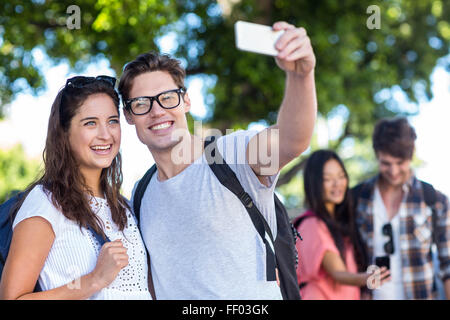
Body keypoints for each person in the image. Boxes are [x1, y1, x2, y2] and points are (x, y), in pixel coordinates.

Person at [118, 21, 317, 299]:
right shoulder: (140, 193)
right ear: (128, 115)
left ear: (186, 101)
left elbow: (293, 140)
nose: (157, 111)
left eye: (167, 98)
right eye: (141, 103)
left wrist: (301, 76)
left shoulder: (231, 154)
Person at [0, 76, 152, 300]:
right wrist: (94, 279)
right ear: (64, 133)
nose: (105, 134)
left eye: (112, 121)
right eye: (90, 123)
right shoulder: (46, 203)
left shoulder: (124, 206)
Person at [352, 117, 450, 300]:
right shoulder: (358, 198)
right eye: (386, 163)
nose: (394, 171)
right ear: (377, 155)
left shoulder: (434, 200)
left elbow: (448, 265)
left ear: (411, 156)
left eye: (400, 163)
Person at [294, 150, 390, 300]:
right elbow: (338, 273)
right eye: (328, 178)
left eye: (341, 176)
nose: (337, 183)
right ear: (314, 183)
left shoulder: (339, 223)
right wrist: (367, 278)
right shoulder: (312, 224)